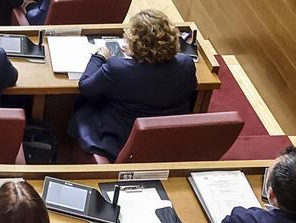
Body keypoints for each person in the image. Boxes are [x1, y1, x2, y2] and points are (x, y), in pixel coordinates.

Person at [68, 9, 198, 159]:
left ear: (134, 42)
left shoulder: (117, 68)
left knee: (84, 107)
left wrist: (99, 57)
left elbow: (85, 87)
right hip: (166, 136)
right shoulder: (186, 64)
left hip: (120, 137)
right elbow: (190, 89)